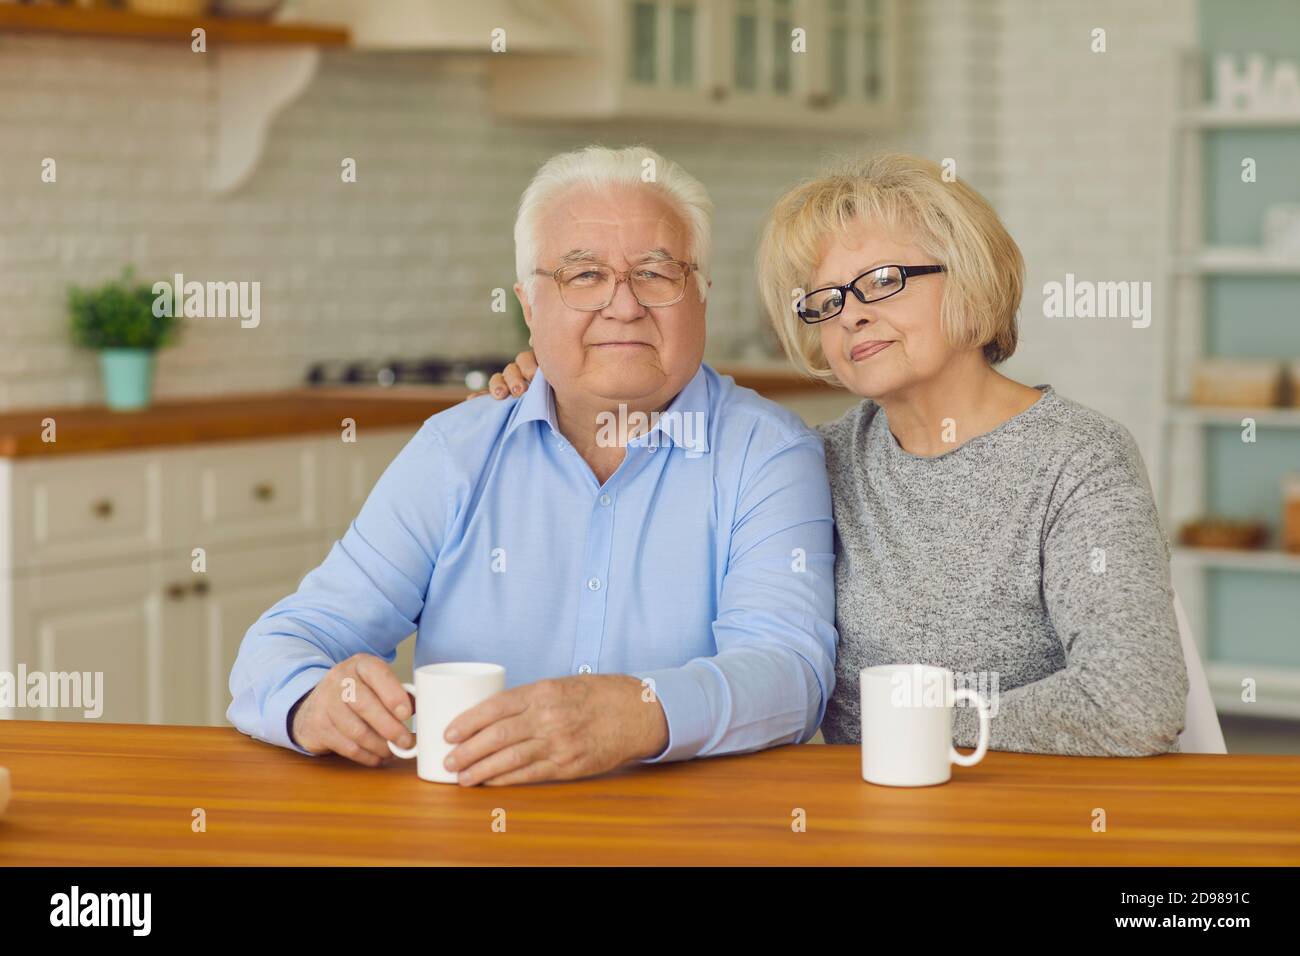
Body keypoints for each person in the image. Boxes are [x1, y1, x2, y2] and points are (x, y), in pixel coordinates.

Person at [488, 151, 1189, 756]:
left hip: (1034, 822)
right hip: (867, 819)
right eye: (825, 300)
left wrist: (912, 725)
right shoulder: (811, 462)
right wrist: (559, 385)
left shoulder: (1077, 457)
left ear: (971, 277)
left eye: (883, 281)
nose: (850, 313)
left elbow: (1134, 699)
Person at [227, 145, 838, 785]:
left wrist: (637, 713)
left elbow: (790, 673)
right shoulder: (455, 451)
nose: (623, 305)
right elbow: (287, 640)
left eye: (657, 274)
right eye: (584, 276)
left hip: (690, 839)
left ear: (702, 295)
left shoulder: (767, 452)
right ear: (528, 304)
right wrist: (311, 702)